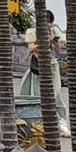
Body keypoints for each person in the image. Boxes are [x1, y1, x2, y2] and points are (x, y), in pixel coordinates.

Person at [19, 9, 70, 138]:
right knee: (36, 93)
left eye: (48, 22)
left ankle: (61, 121)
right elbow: (30, 49)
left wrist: (54, 40)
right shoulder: (32, 32)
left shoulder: (54, 31)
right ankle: (38, 120)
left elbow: (58, 51)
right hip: (38, 65)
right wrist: (42, 40)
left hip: (52, 64)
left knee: (56, 93)